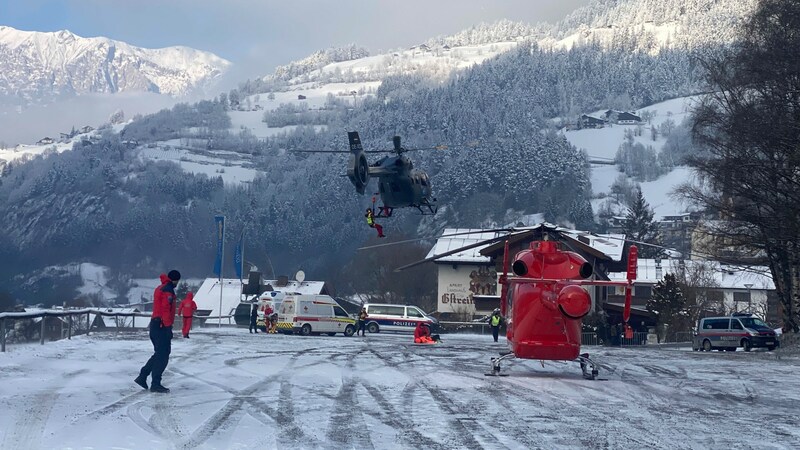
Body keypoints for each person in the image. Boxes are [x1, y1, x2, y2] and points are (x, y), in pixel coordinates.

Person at [135, 270, 180, 393]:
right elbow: (166, 309)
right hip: (161, 326)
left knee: (159, 353)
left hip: (155, 324)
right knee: (163, 356)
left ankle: (143, 375)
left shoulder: (161, 287)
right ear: (175, 280)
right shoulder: (168, 290)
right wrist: (167, 327)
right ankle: (155, 383)